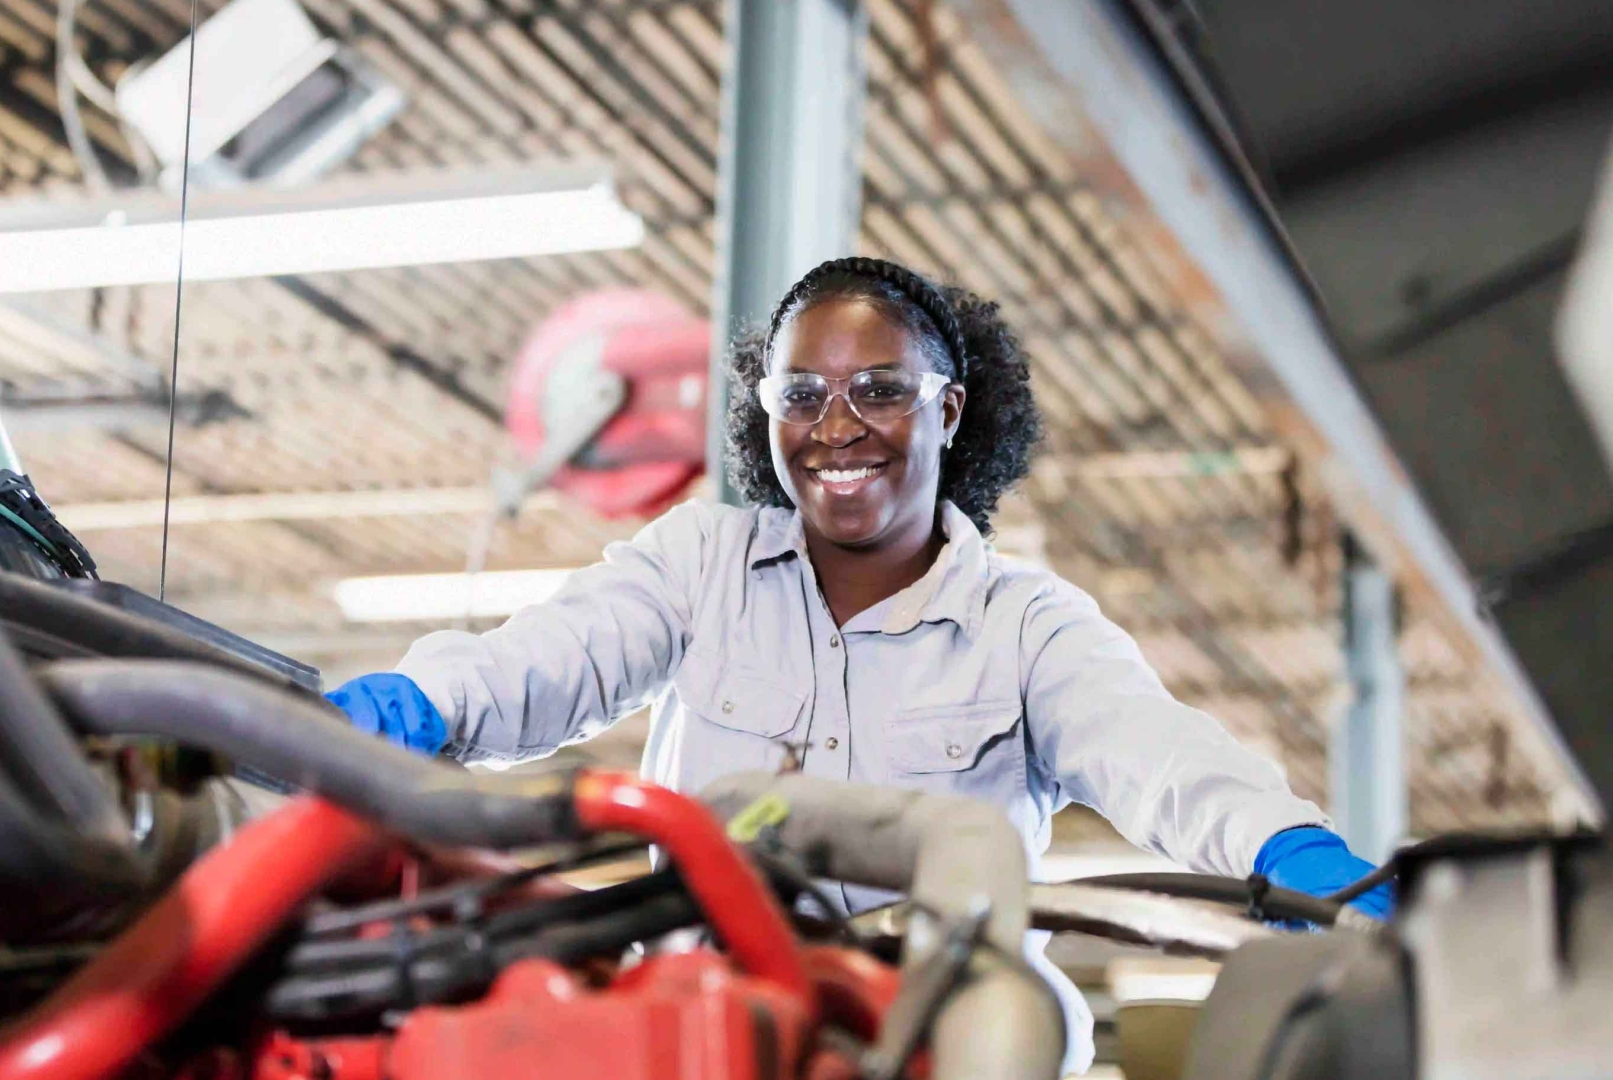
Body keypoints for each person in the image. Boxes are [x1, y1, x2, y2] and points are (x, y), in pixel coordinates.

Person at [326, 256, 1392, 1075]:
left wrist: (1293, 854)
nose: (837, 429)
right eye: (802, 396)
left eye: (879, 389)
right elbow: (543, 663)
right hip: (699, 1040)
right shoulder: (703, 565)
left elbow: (1166, 761)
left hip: (936, 1046)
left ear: (949, 409)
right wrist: (420, 705)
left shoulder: (1024, 625)